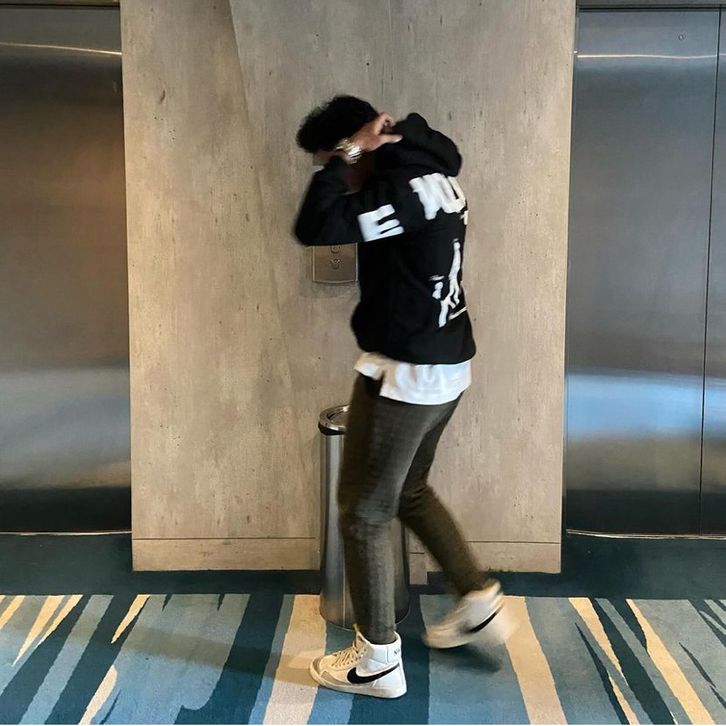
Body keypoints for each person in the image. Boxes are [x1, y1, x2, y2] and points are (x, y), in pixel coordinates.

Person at [293, 96, 514, 700]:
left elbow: (316, 227)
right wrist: (356, 155)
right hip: (447, 362)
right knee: (409, 491)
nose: (341, 173)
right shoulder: (432, 175)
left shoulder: (403, 189)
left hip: (408, 372)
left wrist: (346, 153)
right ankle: (476, 597)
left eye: (340, 158)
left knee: (363, 512)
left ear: (365, 144)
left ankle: (377, 662)